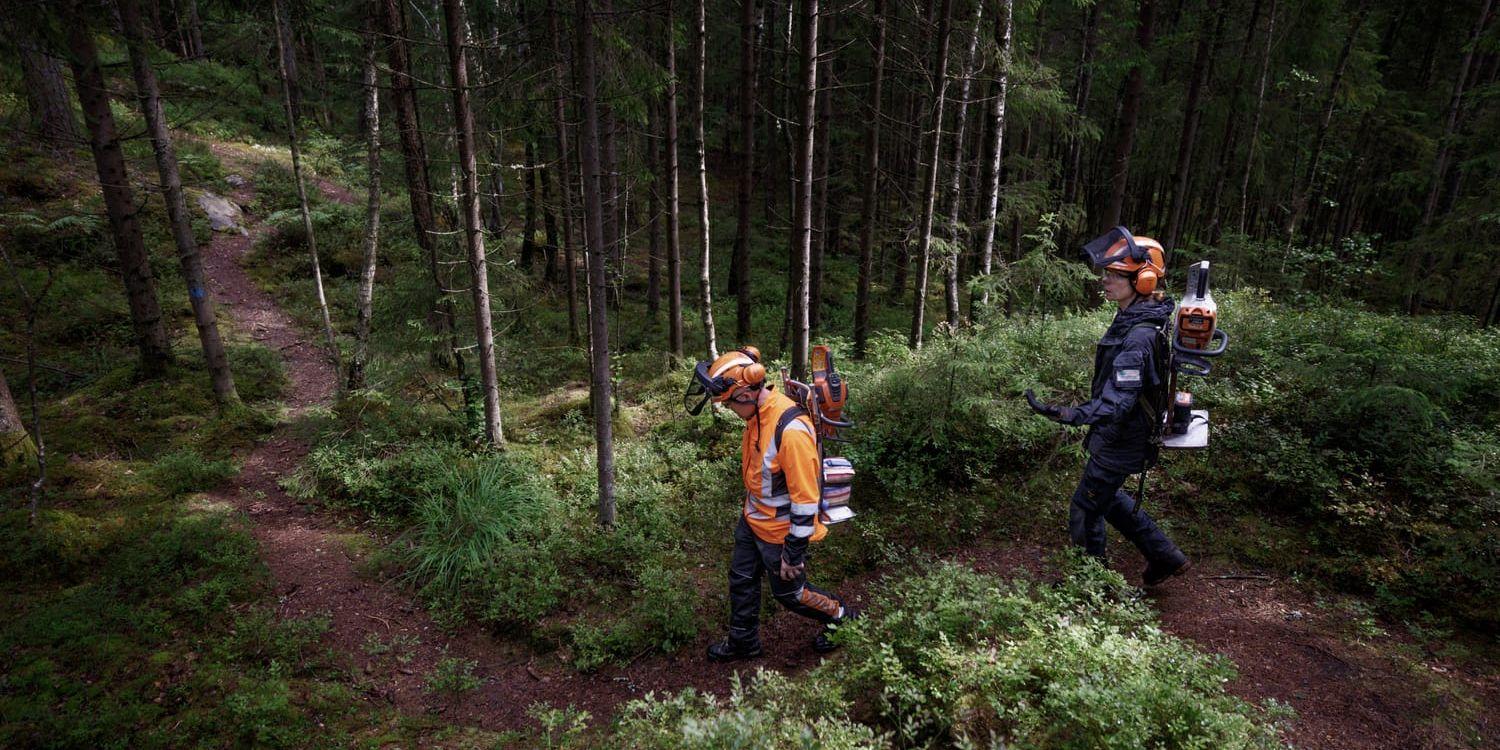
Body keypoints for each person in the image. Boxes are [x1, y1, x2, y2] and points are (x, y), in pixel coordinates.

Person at [1024, 229, 1191, 586]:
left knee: (1085, 508)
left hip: (1122, 437)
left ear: (1142, 280)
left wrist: (1068, 413)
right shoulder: (1136, 314)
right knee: (1108, 498)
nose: (1105, 281)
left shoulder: (1138, 336)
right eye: (1107, 273)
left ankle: (1092, 586)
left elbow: (1118, 403)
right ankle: (1165, 556)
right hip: (1122, 433)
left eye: (1114, 275)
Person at [688, 346, 856, 662]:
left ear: (747, 394)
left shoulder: (790, 430)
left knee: (791, 594)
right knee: (741, 579)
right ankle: (743, 642)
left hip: (780, 532)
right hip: (753, 519)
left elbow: (806, 499)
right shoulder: (758, 414)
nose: (729, 410)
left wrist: (793, 552)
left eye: (729, 404)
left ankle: (842, 616)